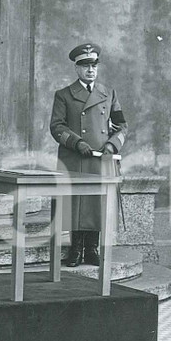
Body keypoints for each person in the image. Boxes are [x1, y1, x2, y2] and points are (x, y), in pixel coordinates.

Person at [49, 43, 128, 267]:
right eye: (85, 66)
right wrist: (77, 141)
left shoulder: (109, 93)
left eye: (94, 65)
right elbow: (56, 126)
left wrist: (112, 145)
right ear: (76, 69)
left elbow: (122, 125)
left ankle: (92, 249)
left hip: (100, 157)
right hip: (76, 157)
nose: (90, 70)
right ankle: (75, 250)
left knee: (96, 204)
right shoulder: (64, 95)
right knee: (76, 203)